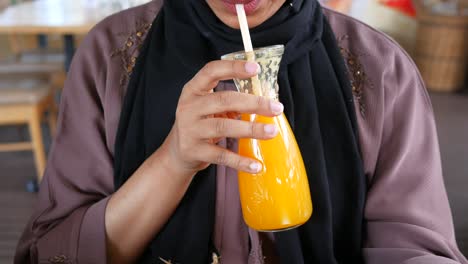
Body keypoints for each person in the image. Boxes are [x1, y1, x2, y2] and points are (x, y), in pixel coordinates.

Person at [14, 0, 468, 263]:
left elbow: (416, 250)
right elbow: (50, 251)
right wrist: (173, 161)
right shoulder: (109, 57)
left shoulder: (381, 70)